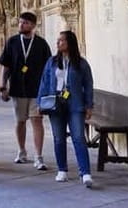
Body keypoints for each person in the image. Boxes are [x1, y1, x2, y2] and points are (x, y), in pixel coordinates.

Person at [37, 30, 95, 187]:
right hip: (56, 103)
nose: (58, 43)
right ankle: (62, 169)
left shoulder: (81, 63)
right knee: (58, 138)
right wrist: (40, 102)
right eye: (58, 40)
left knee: (78, 137)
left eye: (62, 40)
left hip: (75, 104)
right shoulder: (52, 62)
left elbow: (88, 84)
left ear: (70, 43)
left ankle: (85, 173)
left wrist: (89, 105)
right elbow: (44, 82)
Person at [0, 12, 52, 170]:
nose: (21, 25)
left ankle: (38, 156)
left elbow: (48, 68)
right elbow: (5, 66)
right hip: (17, 88)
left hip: (37, 89)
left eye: (26, 23)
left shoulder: (41, 44)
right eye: (21, 22)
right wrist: (2, 86)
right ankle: (21, 151)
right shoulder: (12, 42)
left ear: (33, 25)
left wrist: (48, 89)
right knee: (20, 121)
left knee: (37, 120)